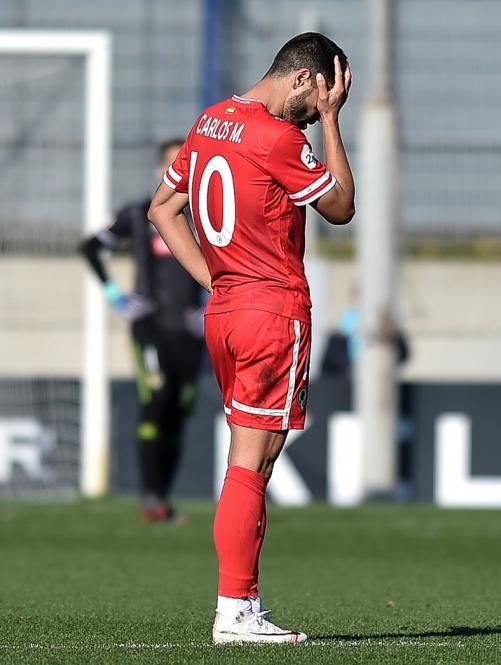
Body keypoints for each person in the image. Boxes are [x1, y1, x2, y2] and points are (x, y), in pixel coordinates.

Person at [147, 33, 355, 644]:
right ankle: (237, 610)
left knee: (249, 461)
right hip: (271, 312)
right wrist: (334, 124)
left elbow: (164, 208)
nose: (315, 114)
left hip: (228, 312)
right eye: (316, 101)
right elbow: (341, 206)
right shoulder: (278, 137)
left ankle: (239, 606)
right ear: (303, 81)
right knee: (251, 465)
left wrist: (216, 277)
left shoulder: (212, 120)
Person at [79, 139, 204, 523]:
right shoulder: (138, 214)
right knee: (157, 398)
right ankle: (150, 498)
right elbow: (90, 247)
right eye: (170, 164)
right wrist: (116, 296)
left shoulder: (206, 213)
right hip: (150, 326)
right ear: (158, 171)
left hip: (190, 329)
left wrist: (211, 305)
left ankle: (163, 500)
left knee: (179, 410)